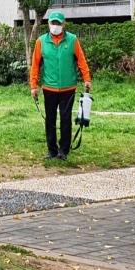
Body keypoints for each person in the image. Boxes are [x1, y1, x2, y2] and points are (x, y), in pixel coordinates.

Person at [29, 9, 91, 161]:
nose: (55, 26)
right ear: (48, 24)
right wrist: (33, 86)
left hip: (68, 87)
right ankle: (51, 150)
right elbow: (35, 65)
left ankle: (63, 150)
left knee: (65, 118)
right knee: (49, 119)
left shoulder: (72, 40)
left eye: (58, 23)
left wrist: (87, 79)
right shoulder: (41, 41)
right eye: (52, 23)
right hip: (49, 87)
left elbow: (81, 61)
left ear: (64, 24)